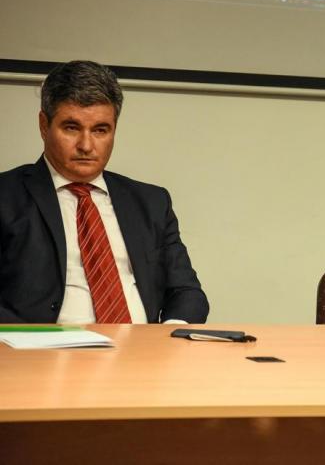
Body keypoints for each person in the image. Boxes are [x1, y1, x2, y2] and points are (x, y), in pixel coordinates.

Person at [0, 60, 209, 324]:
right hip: (42, 356)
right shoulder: (6, 196)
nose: (86, 145)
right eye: (71, 128)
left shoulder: (151, 202)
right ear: (44, 125)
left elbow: (187, 292)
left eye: (100, 130)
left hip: (142, 355)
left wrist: (169, 338)